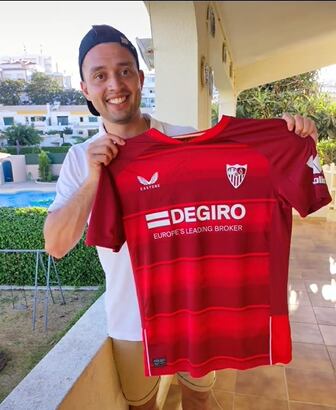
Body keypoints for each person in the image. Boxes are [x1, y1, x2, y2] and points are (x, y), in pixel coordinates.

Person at [44, 25, 319, 410]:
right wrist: (94, 180)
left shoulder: (184, 140)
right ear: (85, 89)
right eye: (100, 75)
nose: (115, 84)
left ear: (140, 79)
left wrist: (294, 138)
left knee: (198, 400)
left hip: (193, 311)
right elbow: (55, 245)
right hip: (130, 321)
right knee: (143, 406)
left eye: (124, 71)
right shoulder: (79, 161)